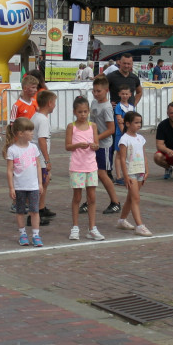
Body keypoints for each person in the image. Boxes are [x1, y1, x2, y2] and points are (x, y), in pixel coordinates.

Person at [66, 96, 105, 241]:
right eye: (80, 112)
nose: (83, 115)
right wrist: (77, 145)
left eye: (85, 112)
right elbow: (67, 146)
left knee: (92, 197)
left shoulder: (92, 126)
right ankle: (75, 227)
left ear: (89, 111)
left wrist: (95, 146)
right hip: (77, 166)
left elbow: (96, 144)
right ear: (75, 112)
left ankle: (92, 228)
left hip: (91, 165)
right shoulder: (72, 127)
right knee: (77, 197)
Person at [84, 75, 122, 215]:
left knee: (102, 173)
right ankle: (89, 201)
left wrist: (96, 138)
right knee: (90, 172)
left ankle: (115, 202)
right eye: (94, 90)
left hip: (104, 145)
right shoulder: (94, 103)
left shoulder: (107, 107)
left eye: (98, 91)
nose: (95, 93)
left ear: (106, 90)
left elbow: (111, 129)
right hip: (93, 144)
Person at [5, 117, 44, 247]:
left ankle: (36, 235)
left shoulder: (33, 148)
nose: (32, 133)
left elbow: (38, 166)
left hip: (33, 186)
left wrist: (40, 183)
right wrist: (11, 188)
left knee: (35, 211)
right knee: (20, 211)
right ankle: (22, 234)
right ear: (21, 133)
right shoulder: (12, 150)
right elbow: (10, 170)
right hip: (20, 186)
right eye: (30, 131)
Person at [115, 110, 152, 236]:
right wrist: (125, 176)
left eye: (140, 123)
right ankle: (140, 226)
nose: (139, 125)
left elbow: (144, 155)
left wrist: (146, 169)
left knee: (131, 198)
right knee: (135, 198)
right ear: (127, 123)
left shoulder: (141, 138)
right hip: (130, 172)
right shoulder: (124, 140)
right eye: (136, 123)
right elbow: (122, 158)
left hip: (140, 171)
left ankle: (122, 220)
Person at [33, 90, 58, 224]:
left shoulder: (37, 117)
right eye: (54, 103)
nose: (54, 106)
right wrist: (47, 160)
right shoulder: (42, 120)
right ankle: (35, 214)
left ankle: (41, 208)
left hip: (38, 158)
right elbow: (42, 140)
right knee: (40, 185)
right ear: (49, 103)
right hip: (40, 159)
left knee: (45, 182)